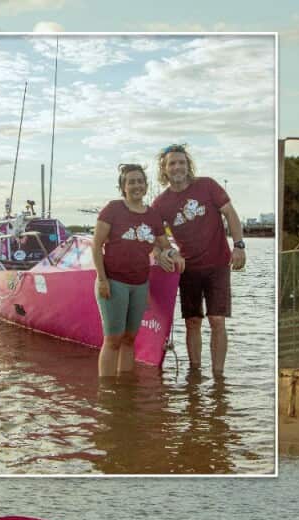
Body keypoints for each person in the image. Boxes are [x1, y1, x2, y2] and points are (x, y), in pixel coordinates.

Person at [151, 144, 246, 377]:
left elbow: (230, 214)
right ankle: (195, 374)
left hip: (218, 264)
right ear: (164, 169)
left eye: (182, 162)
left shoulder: (208, 186)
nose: (177, 167)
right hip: (188, 269)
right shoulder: (161, 203)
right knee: (193, 322)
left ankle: (219, 376)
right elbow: (154, 238)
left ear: (188, 164)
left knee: (217, 320)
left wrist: (239, 245)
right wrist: (166, 253)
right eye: (172, 163)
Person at [92, 163, 181, 377]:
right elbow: (96, 246)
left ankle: (125, 386)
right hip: (113, 282)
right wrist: (102, 280)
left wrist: (173, 255)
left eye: (140, 181)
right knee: (113, 339)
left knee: (130, 339)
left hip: (140, 284)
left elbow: (164, 245)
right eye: (131, 182)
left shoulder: (152, 216)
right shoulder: (112, 209)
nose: (136, 185)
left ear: (146, 185)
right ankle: (109, 393)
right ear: (123, 186)